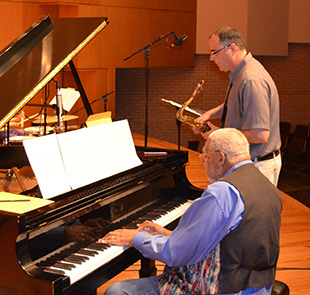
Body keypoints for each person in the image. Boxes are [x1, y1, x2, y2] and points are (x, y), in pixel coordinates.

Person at [102, 128, 282, 295]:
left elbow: (176, 254)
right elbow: (231, 241)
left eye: (206, 157)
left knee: (117, 290)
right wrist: (169, 234)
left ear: (220, 157)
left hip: (222, 288)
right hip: (256, 287)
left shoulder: (222, 192)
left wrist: (136, 238)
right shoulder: (268, 186)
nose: (205, 163)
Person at [192, 26, 282, 186]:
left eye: (214, 52)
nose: (211, 58)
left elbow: (261, 135)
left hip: (258, 166)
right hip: (250, 164)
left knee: (251, 212)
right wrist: (208, 114)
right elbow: (234, 103)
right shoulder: (240, 74)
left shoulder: (251, 80)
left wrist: (219, 134)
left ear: (232, 48)